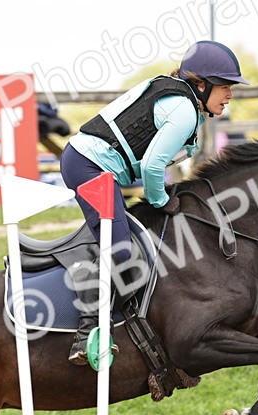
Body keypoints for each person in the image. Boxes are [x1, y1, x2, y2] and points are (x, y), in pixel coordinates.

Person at [60, 40, 248, 365]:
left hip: (92, 165)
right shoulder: (184, 111)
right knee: (121, 251)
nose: (230, 94)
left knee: (130, 242)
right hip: (88, 168)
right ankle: (87, 331)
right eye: (225, 86)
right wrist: (160, 201)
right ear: (201, 85)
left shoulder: (187, 105)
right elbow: (151, 167)